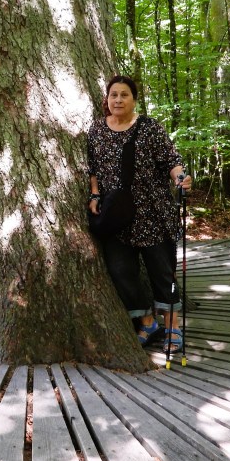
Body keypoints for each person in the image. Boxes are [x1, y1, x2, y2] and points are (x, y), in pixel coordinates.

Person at [87, 75, 192, 351]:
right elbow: (93, 167)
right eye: (113, 95)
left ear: (134, 99)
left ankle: (173, 328)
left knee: (162, 273)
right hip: (117, 215)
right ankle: (148, 322)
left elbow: (172, 161)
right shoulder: (97, 129)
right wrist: (95, 193)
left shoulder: (150, 129)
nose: (118, 100)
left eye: (124, 95)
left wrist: (180, 178)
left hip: (153, 213)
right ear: (106, 99)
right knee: (121, 271)